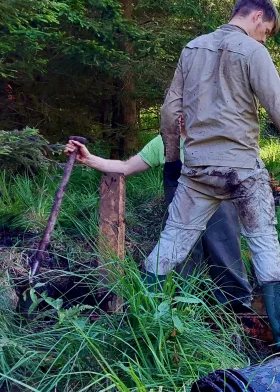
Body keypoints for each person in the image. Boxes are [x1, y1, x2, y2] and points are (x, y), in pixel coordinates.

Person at [145, 0, 280, 350]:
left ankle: (143, 326)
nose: (264, 37)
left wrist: (172, 163)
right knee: (265, 245)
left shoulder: (192, 49)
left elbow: (168, 113)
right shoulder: (253, 52)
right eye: (266, 30)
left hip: (198, 168)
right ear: (255, 18)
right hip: (241, 170)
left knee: (170, 244)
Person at [64, 127, 253, 311]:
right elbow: (125, 167)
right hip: (181, 219)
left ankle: (239, 313)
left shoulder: (218, 137)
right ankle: (182, 314)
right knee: (180, 266)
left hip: (220, 214)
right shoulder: (166, 142)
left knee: (226, 255)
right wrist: (88, 159)